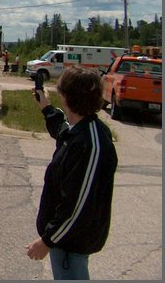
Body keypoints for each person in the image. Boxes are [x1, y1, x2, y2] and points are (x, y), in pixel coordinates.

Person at [25, 66, 118, 280]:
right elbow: (63, 132)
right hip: (65, 240)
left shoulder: (90, 143)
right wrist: (47, 108)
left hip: (71, 243)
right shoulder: (81, 130)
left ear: (68, 97)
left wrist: (47, 240)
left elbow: (78, 205)